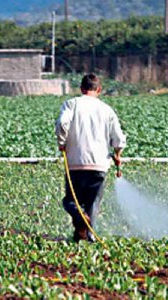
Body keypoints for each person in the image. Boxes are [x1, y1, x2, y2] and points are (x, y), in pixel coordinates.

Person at [55, 74, 126, 242]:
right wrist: (117, 154)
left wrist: (62, 142)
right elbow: (118, 137)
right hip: (100, 164)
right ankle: (89, 236)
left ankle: (81, 225)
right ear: (99, 90)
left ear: (81, 89)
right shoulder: (106, 109)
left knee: (70, 201)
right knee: (93, 203)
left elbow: (62, 124)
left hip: (75, 163)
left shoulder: (71, 104)